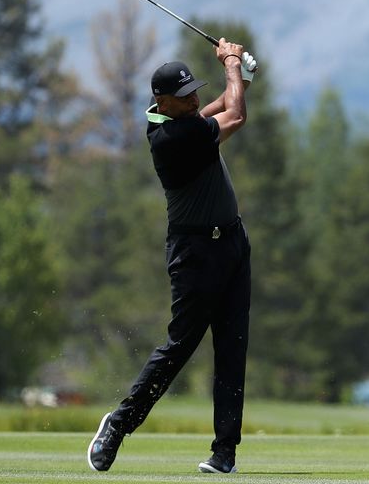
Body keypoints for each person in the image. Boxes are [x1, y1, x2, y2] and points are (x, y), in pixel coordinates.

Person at [88, 38, 257, 475]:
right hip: (195, 253)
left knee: (232, 350)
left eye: (193, 91)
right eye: (184, 96)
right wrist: (233, 65)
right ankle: (119, 424)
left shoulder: (181, 119)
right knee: (180, 347)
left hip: (233, 245)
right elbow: (235, 113)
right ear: (162, 102)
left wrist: (241, 79)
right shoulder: (170, 138)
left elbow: (219, 105)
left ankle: (225, 454)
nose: (194, 99)